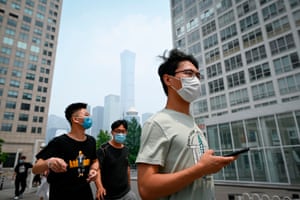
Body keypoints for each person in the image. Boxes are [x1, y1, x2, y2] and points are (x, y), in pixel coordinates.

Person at [135, 49, 238, 200]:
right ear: (168, 80)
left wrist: (208, 167)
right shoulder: (157, 123)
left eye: (198, 75)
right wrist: (200, 170)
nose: (195, 80)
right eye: (189, 74)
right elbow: (146, 188)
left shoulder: (193, 124)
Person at [32, 102, 99, 200]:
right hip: (61, 194)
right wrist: (49, 162)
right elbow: (35, 169)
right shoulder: (59, 142)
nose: (90, 118)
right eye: (86, 115)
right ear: (75, 119)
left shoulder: (91, 141)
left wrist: (93, 170)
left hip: (85, 193)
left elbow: (95, 161)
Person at [95, 120, 137, 200]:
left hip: (126, 194)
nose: (120, 134)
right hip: (107, 194)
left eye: (123, 131)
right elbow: (97, 170)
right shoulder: (103, 150)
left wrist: (129, 188)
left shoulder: (126, 149)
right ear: (112, 132)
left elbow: (127, 168)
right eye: (117, 131)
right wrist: (99, 187)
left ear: (126, 133)